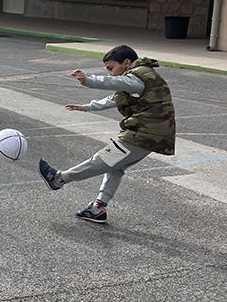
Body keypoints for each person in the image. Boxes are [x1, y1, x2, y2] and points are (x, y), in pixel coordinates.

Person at [39, 45, 176, 223]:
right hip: (152, 133)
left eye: (111, 68)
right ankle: (98, 208)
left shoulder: (137, 76)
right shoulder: (140, 78)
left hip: (144, 133)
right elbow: (115, 98)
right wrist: (86, 107)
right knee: (115, 167)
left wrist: (89, 80)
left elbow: (114, 83)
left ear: (126, 63)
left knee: (102, 160)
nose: (111, 73)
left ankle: (58, 179)